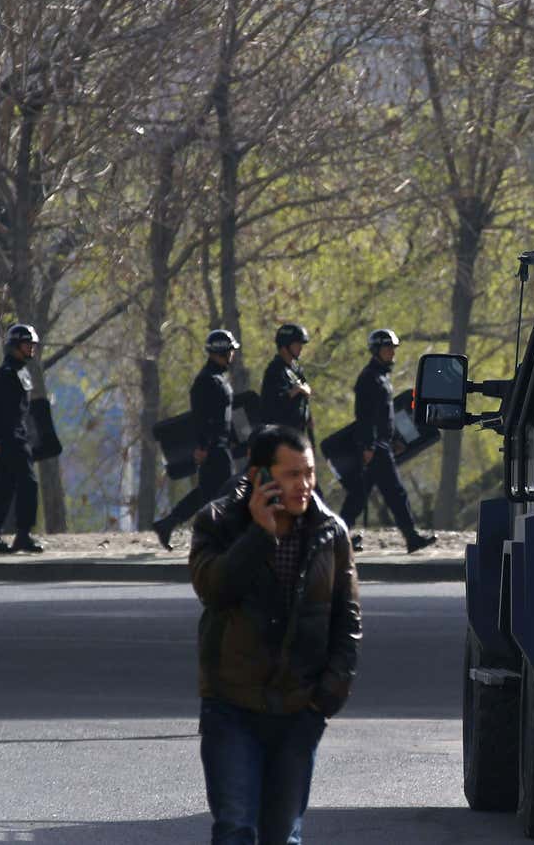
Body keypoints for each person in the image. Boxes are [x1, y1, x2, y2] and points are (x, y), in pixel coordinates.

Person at [189, 424, 360, 845]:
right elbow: (214, 588)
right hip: (232, 709)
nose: (304, 486)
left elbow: (347, 622)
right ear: (259, 476)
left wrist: (324, 701)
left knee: (283, 837)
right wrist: (259, 535)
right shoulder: (217, 523)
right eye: (291, 474)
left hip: (298, 713)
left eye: (309, 473)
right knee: (235, 829)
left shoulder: (330, 533)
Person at [337, 329, 436, 553]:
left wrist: (392, 441)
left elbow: (383, 416)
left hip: (381, 445)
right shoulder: (369, 378)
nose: (392, 352)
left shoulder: (381, 377)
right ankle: (411, 537)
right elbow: (365, 416)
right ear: (376, 351)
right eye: (387, 348)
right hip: (374, 448)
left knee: (358, 497)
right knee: (394, 493)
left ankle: (337, 537)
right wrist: (369, 446)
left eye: (393, 348)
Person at [153, 330, 240, 550]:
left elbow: (225, 415)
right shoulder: (206, 381)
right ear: (221, 351)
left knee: (210, 492)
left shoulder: (219, 377)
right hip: (212, 448)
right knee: (221, 493)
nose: (233, 354)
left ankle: (168, 524)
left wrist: (234, 440)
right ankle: (212, 538)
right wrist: (203, 447)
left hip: (221, 445)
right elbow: (201, 418)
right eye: (230, 350)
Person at [0, 323, 45, 555]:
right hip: (10, 439)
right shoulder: (5, 374)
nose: (32, 349)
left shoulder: (21, 371)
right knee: (29, 484)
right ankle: (23, 534)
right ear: (15, 346)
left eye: (32, 345)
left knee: (4, 488)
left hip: (19, 436)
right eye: (27, 344)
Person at [260, 324, 314, 435]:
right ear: (285, 346)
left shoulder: (295, 369)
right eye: (296, 344)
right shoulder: (275, 370)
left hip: (298, 432)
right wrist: (296, 390)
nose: (300, 347)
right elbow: (272, 404)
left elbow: (306, 390)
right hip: (280, 434)